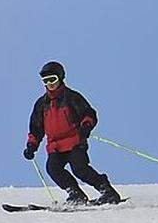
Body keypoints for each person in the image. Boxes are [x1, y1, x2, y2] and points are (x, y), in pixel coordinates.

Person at [23, 62, 122, 205]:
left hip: (75, 141)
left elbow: (89, 114)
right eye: (46, 81)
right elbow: (36, 128)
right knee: (53, 169)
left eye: (53, 79)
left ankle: (107, 191)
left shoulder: (72, 97)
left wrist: (86, 125)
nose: (49, 84)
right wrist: (31, 145)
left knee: (80, 168)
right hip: (55, 146)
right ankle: (75, 194)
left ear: (61, 78)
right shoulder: (41, 104)